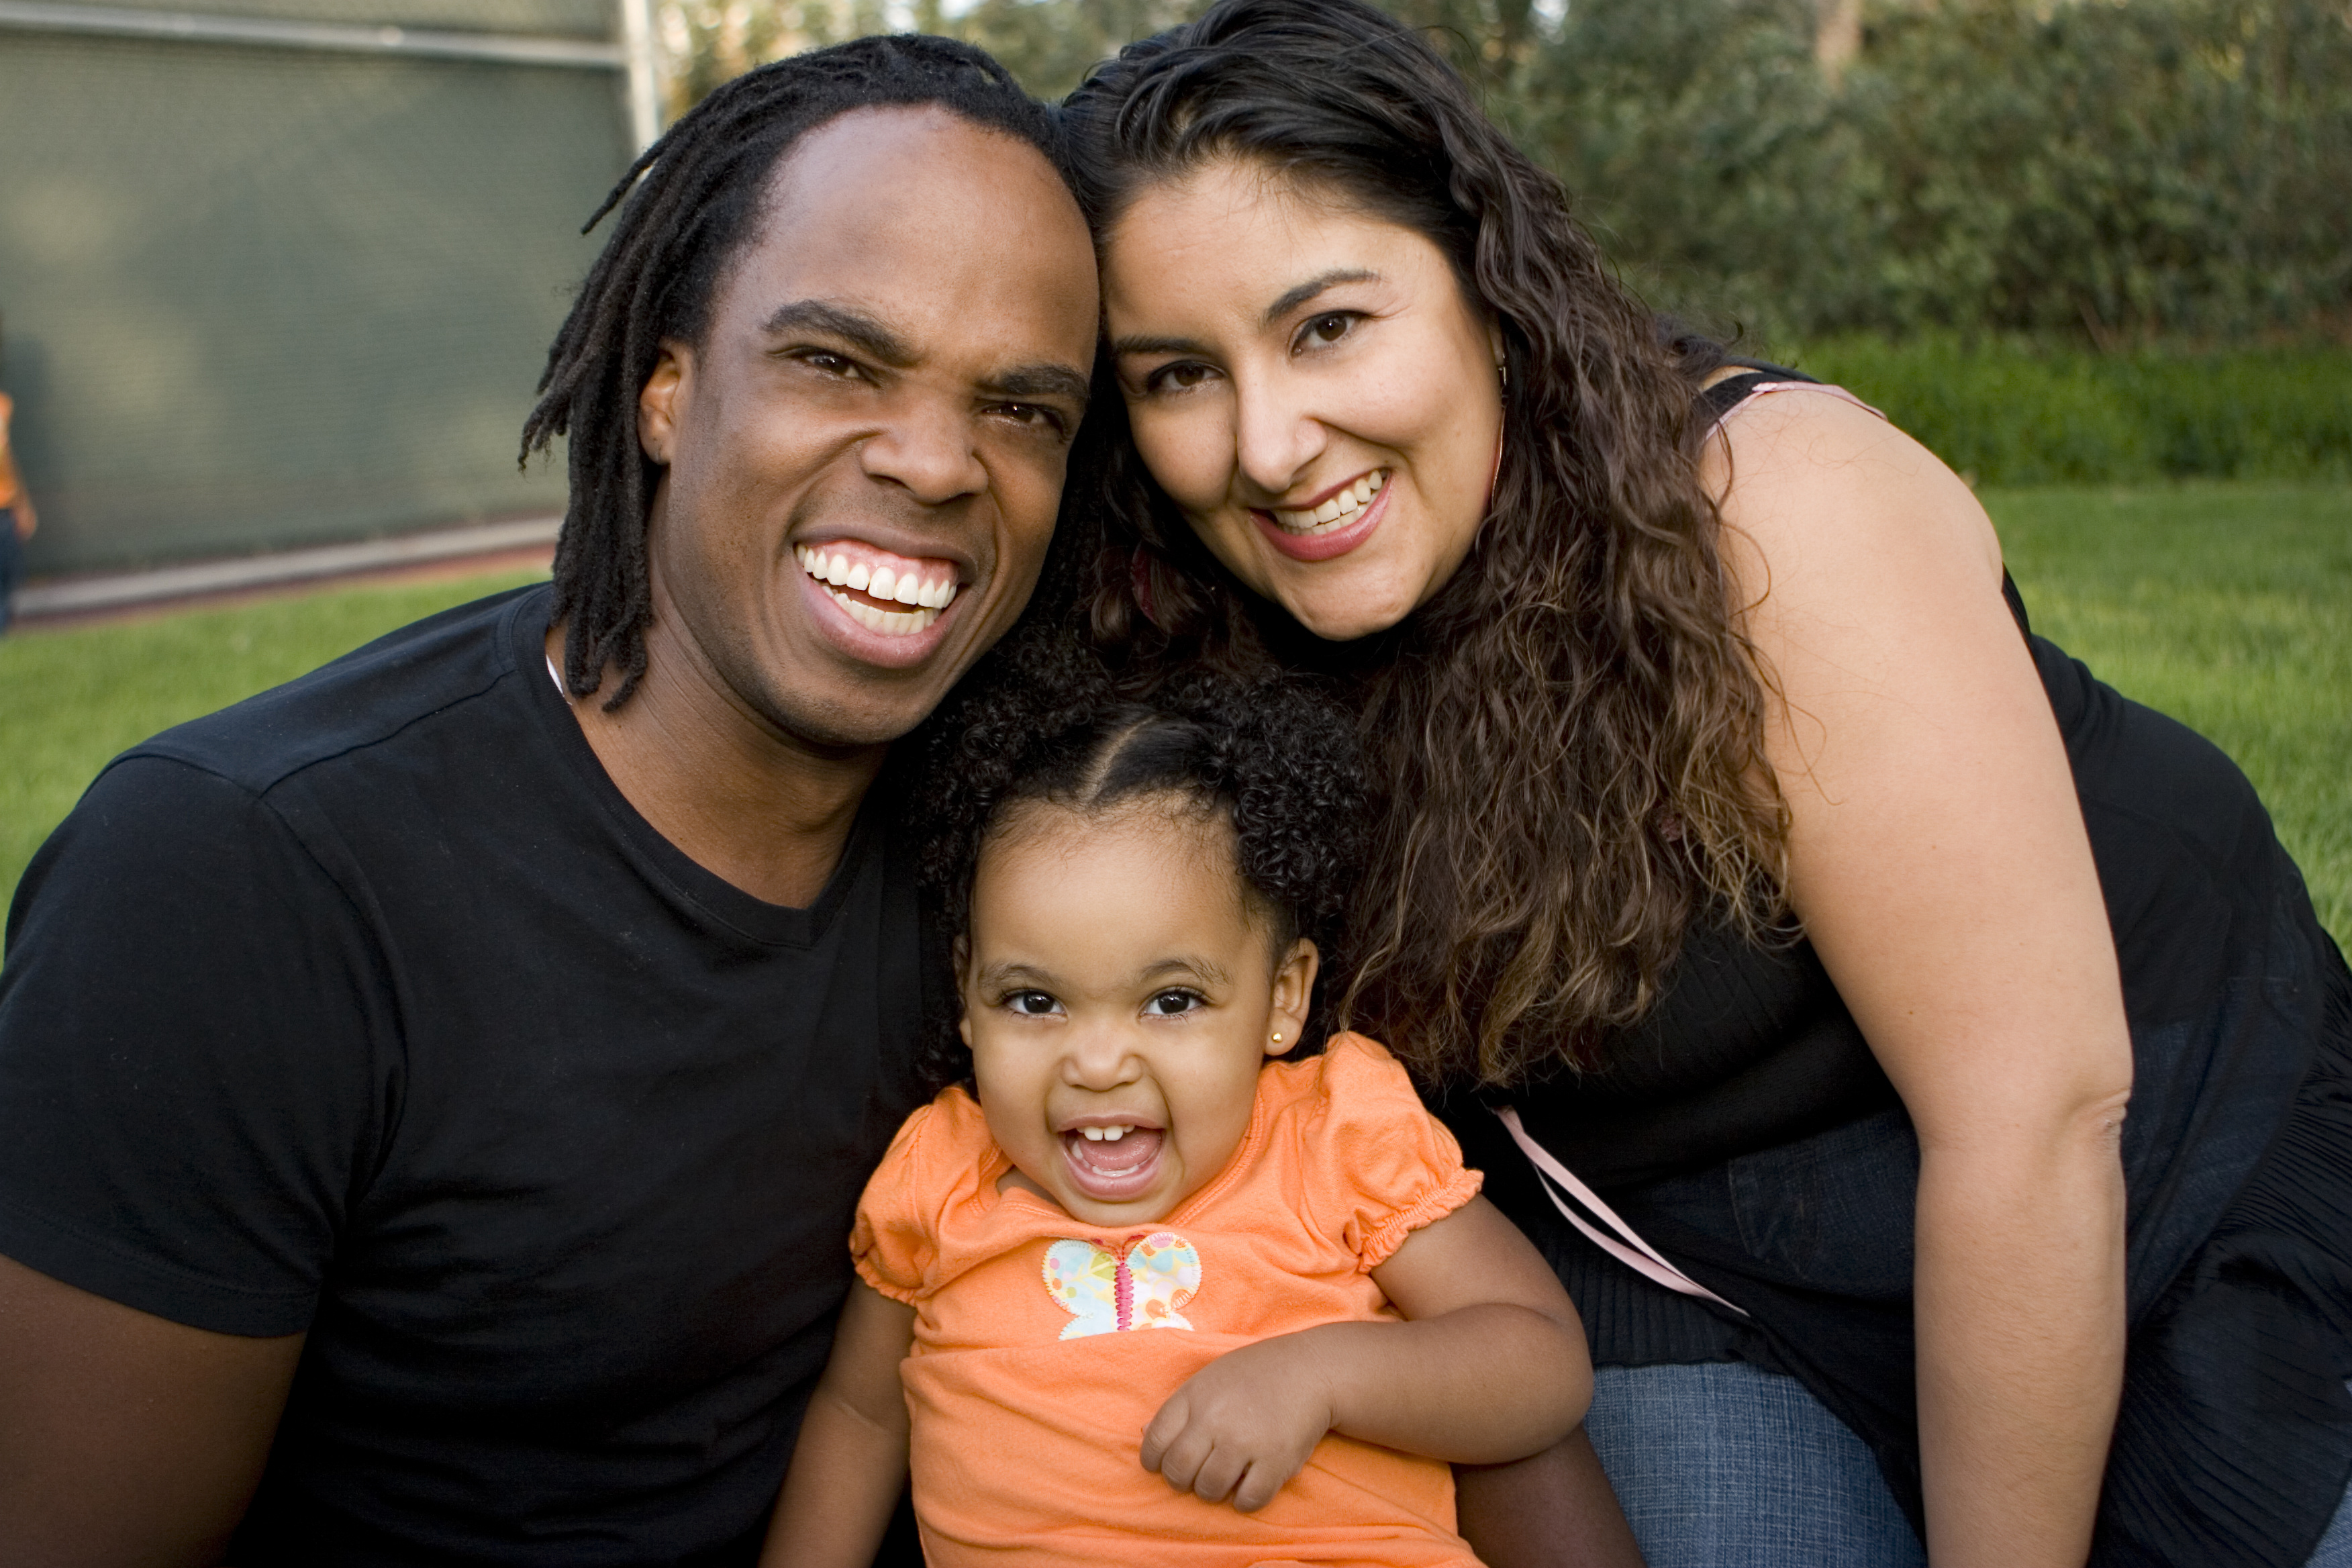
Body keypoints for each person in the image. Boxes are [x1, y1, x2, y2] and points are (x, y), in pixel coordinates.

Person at [1052, 3, 2352, 1565]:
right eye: (1179, 373)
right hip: (1694, 1263)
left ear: (1486, 286)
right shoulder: (1198, 634)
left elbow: (2030, 1112)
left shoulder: (1764, 514)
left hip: (2148, 1173)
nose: (1266, 443)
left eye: (1329, 326)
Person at [0, 36, 1096, 1567]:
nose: (934, 459)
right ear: (663, 388)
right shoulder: (240, 881)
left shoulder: (1036, 858)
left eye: (1022, 409)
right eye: (836, 361)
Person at [759, 644, 1633, 1567]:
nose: (1097, 1062)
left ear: (1283, 998)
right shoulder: (940, 1174)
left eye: (1171, 1001)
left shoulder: (1331, 1138)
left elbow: (1537, 1358)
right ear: (967, 990)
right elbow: (859, 1416)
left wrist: (1324, 1377)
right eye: (1033, 1000)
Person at [0, 382, 36, 633]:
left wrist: (23, 506)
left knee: (9, 577)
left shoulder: (3, 406)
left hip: (5, 509)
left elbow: (8, 459)